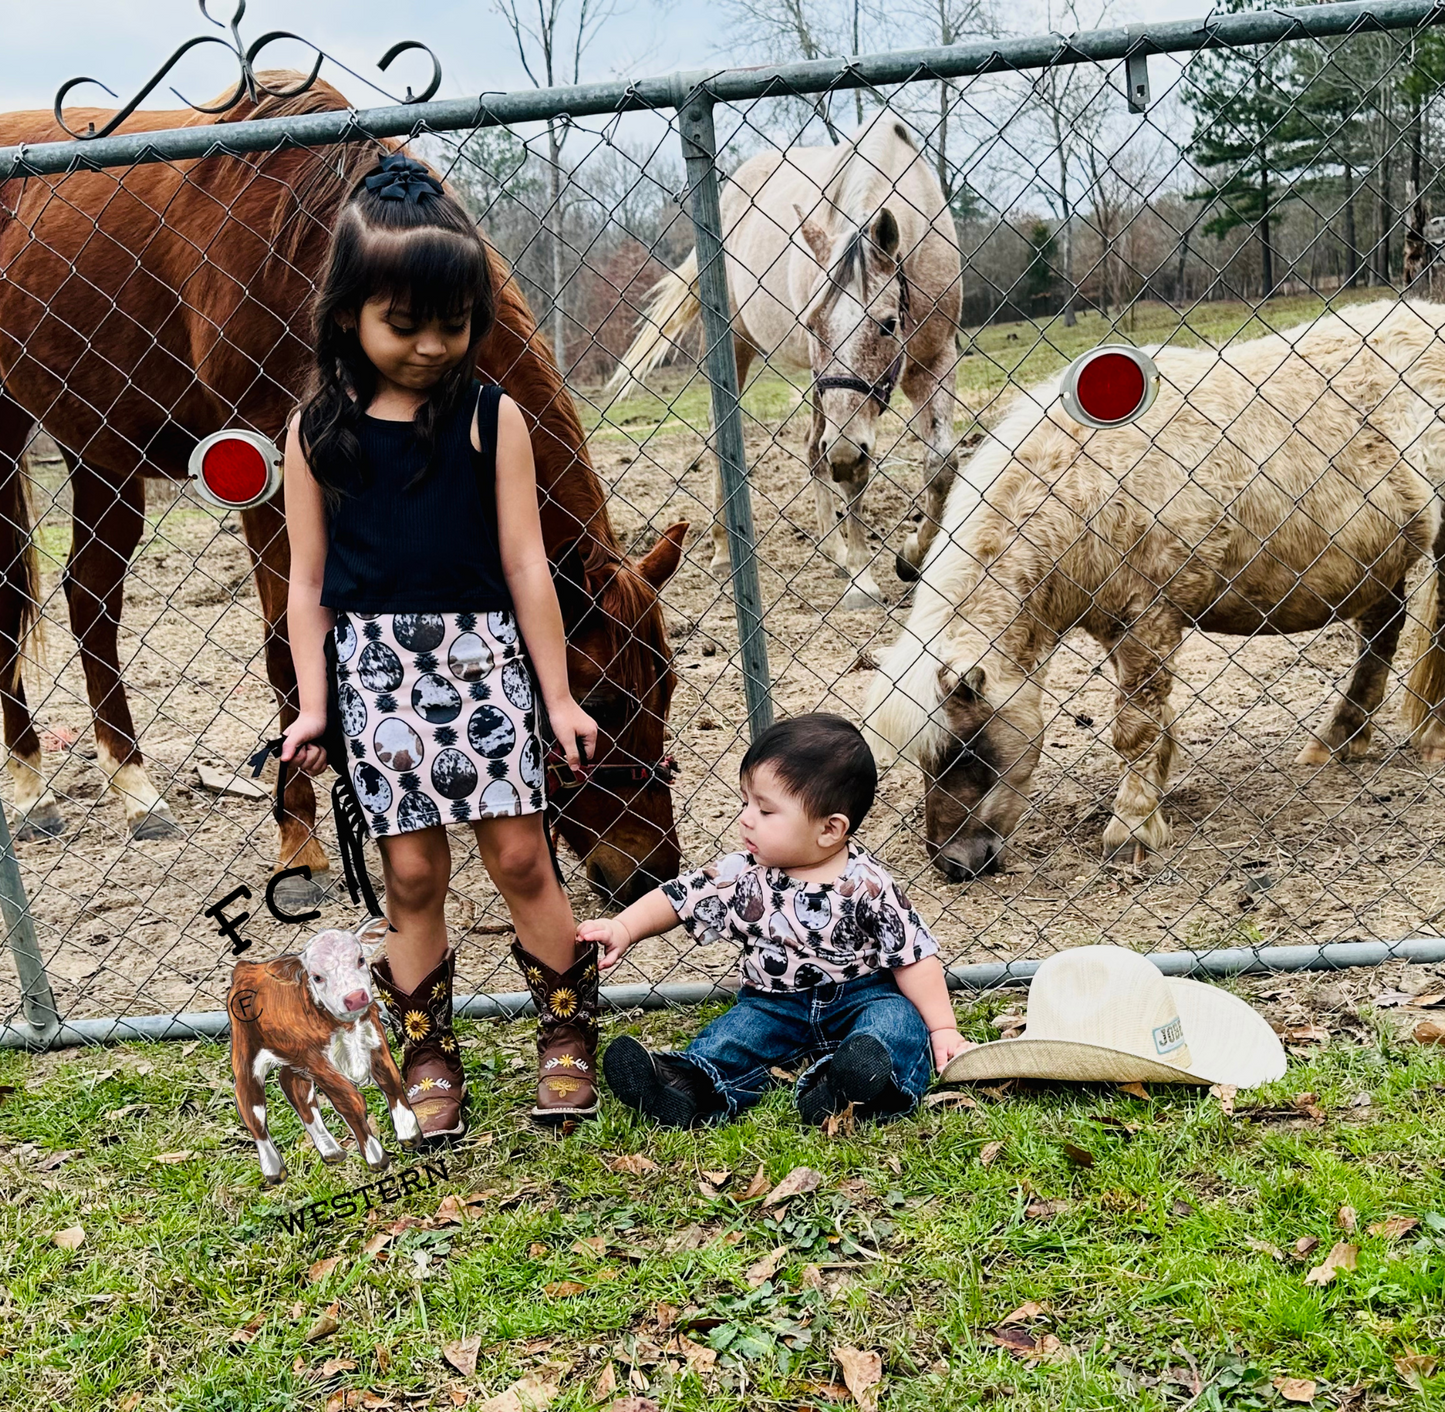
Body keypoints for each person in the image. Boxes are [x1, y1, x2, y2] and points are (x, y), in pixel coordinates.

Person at [279, 151, 601, 1140]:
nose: (428, 346)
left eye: (450, 325)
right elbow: (304, 582)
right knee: (411, 873)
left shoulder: (488, 418)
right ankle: (427, 1050)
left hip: (481, 665)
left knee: (519, 854)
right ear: (348, 315)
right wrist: (310, 702)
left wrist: (557, 696)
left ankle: (563, 1035)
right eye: (403, 324)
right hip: (377, 678)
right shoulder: (317, 432)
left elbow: (526, 566)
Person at [581, 713, 974, 1127]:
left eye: (766, 810)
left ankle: (856, 1084)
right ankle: (684, 1085)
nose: (747, 818)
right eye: (745, 802)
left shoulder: (868, 885)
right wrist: (623, 927)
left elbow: (913, 956)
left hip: (862, 998)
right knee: (734, 1037)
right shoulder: (740, 874)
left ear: (830, 829)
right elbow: (677, 899)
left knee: (896, 1024)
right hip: (772, 1004)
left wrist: (943, 1028)